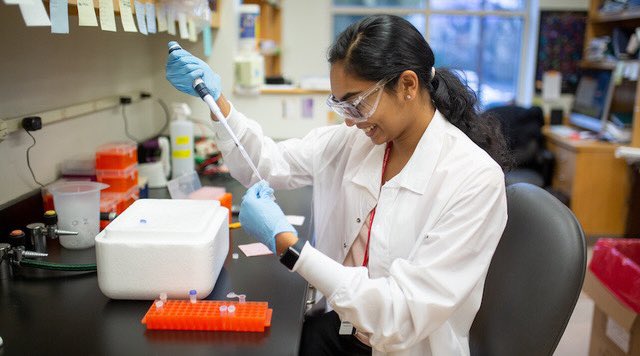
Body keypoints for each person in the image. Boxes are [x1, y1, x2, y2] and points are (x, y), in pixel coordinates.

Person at [166, 14, 509, 356]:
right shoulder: (355, 142)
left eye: (357, 102)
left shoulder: (474, 180)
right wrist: (217, 102)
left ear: (407, 85)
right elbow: (269, 164)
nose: (348, 119)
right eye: (340, 103)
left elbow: (398, 316)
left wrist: (290, 247)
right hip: (343, 327)